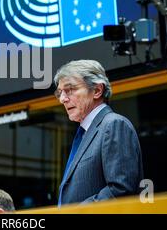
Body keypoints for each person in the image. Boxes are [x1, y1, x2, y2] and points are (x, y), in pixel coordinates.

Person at [54, 60, 143, 206]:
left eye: (69, 90)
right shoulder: (84, 133)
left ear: (97, 91)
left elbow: (120, 190)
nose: (62, 99)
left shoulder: (114, 125)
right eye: (60, 92)